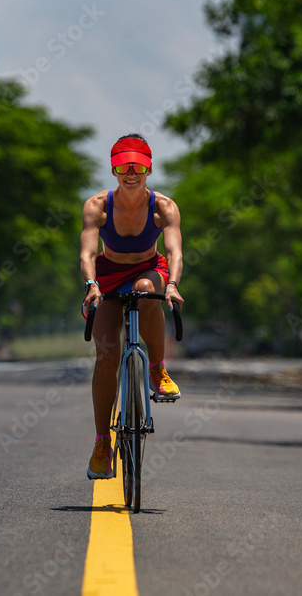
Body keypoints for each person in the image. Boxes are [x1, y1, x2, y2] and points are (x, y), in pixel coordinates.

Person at [80, 134, 184, 479]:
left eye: (138, 166)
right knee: (107, 355)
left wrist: (171, 285)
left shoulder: (163, 207)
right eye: (123, 166)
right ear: (113, 169)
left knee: (144, 290)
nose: (131, 172)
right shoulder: (98, 206)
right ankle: (101, 442)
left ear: (149, 168)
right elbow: (87, 252)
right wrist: (92, 285)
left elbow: (174, 252)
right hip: (108, 274)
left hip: (148, 270)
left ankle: (156, 368)